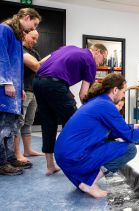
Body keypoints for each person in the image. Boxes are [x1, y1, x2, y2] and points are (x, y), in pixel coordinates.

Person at [54, 73, 139, 198]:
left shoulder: (97, 102)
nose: (124, 95)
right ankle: (90, 182)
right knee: (130, 149)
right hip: (74, 157)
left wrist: (134, 126)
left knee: (110, 142)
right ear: (115, 90)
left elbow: (112, 131)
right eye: (124, 91)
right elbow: (129, 136)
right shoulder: (107, 105)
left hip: (64, 156)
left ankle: (85, 181)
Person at [33, 43, 108, 176]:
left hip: (38, 82)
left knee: (48, 123)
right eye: (104, 58)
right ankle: (80, 164)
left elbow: (41, 62)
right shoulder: (90, 61)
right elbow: (83, 94)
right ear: (97, 51)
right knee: (76, 124)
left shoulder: (69, 47)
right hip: (55, 85)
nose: (102, 62)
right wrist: (89, 111)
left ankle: (50, 165)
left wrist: (63, 90)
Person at [0, 8, 41, 175]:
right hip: (5, 88)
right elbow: (1, 57)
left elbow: (18, 66)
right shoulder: (5, 29)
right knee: (3, 127)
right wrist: (7, 82)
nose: (33, 29)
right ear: (26, 17)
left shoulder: (17, 36)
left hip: (15, 88)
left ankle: (9, 158)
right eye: (34, 25)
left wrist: (21, 88)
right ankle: (1, 162)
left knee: (12, 126)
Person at [14, 30, 44, 164]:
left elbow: (41, 68)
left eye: (36, 39)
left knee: (28, 123)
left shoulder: (34, 52)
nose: (35, 41)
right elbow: (37, 66)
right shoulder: (18, 48)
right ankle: (16, 153)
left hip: (34, 91)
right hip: (23, 90)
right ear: (25, 34)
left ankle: (28, 150)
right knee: (18, 123)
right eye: (33, 38)